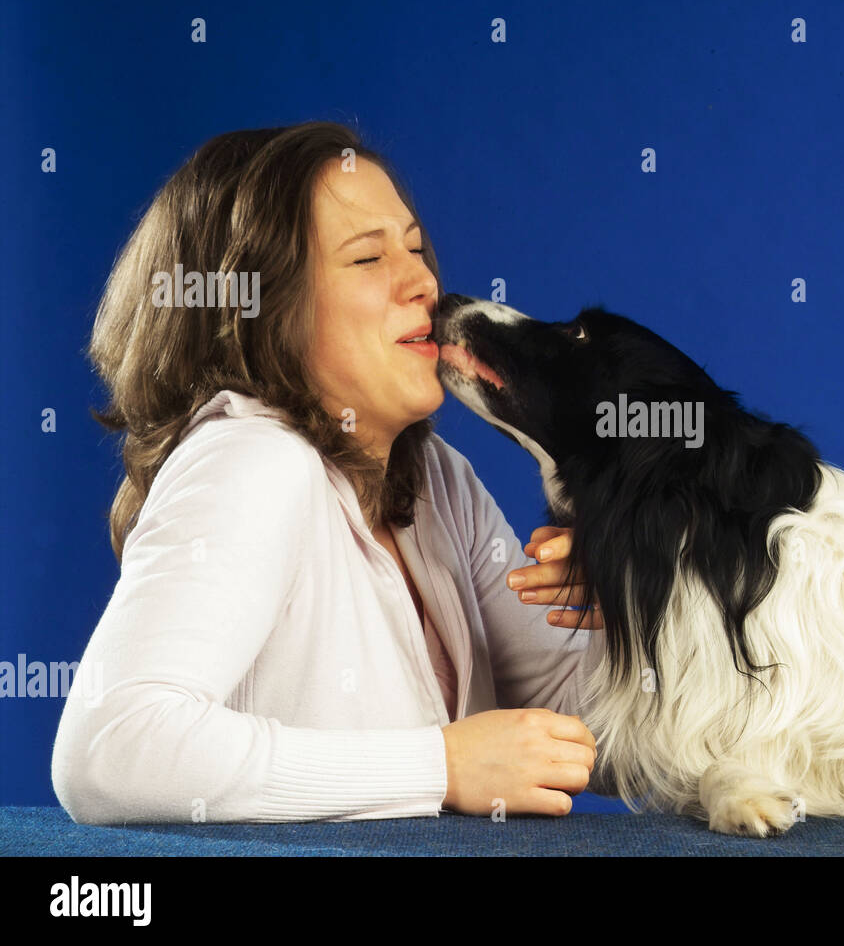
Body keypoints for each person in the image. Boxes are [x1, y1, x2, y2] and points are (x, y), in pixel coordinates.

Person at [51, 121, 606, 824]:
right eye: (367, 260)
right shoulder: (253, 458)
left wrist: (644, 600)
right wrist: (442, 765)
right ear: (258, 309)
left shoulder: (438, 480)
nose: (425, 283)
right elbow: (110, 750)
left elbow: (579, 731)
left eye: (413, 247)